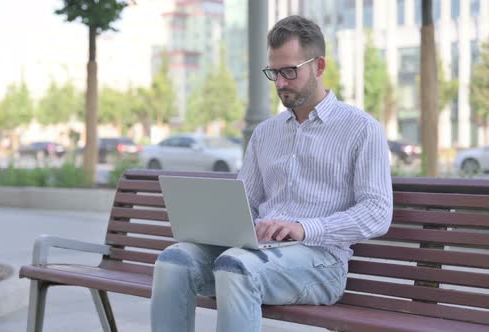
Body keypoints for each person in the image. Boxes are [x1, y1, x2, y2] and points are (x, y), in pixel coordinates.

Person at [150, 15, 393, 332]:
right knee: (174, 262)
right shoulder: (265, 133)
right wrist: (219, 225)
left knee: (237, 267)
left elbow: (377, 212)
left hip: (321, 262)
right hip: (257, 252)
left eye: (289, 71)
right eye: (274, 73)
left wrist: (304, 228)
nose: (280, 83)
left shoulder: (362, 129)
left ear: (319, 66)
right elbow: (246, 201)